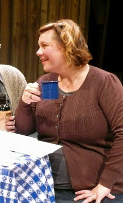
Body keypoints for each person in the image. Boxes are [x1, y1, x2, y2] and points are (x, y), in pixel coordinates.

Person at [15, 19, 123, 203]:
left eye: (44, 45)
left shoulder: (104, 83)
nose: (38, 52)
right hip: (43, 185)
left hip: (91, 190)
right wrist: (25, 103)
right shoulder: (46, 82)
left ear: (66, 47)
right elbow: (23, 130)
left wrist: (105, 184)